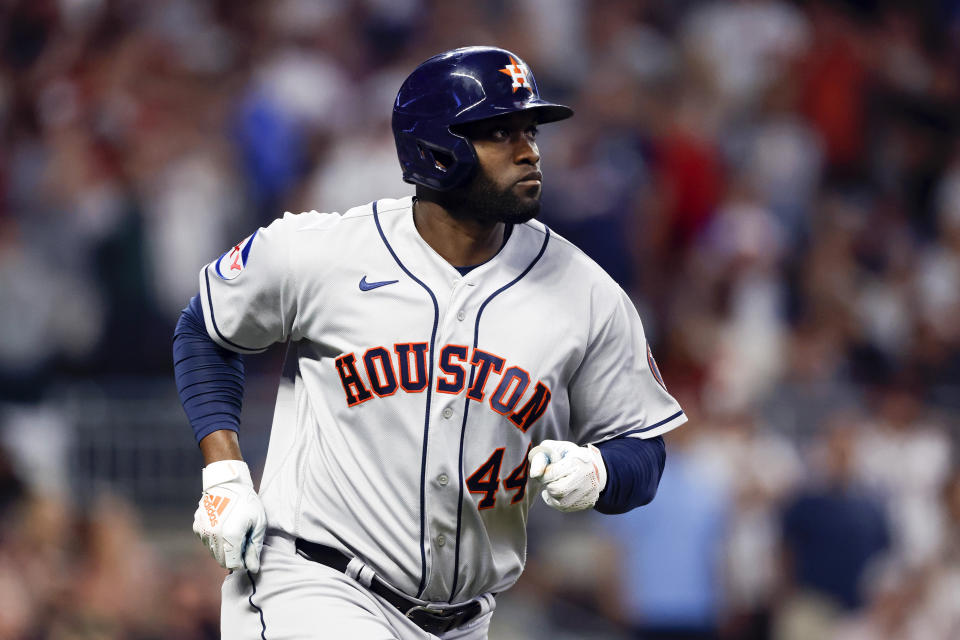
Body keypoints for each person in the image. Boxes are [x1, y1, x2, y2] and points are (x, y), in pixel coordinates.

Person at [173, 46, 687, 639]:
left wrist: (599, 469)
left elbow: (644, 449)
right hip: (315, 586)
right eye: (500, 132)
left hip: (465, 621)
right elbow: (205, 329)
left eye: (530, 130)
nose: (530, 150)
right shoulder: (323, 252)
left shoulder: (586, 293)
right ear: (436, 150)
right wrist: (225, 475)